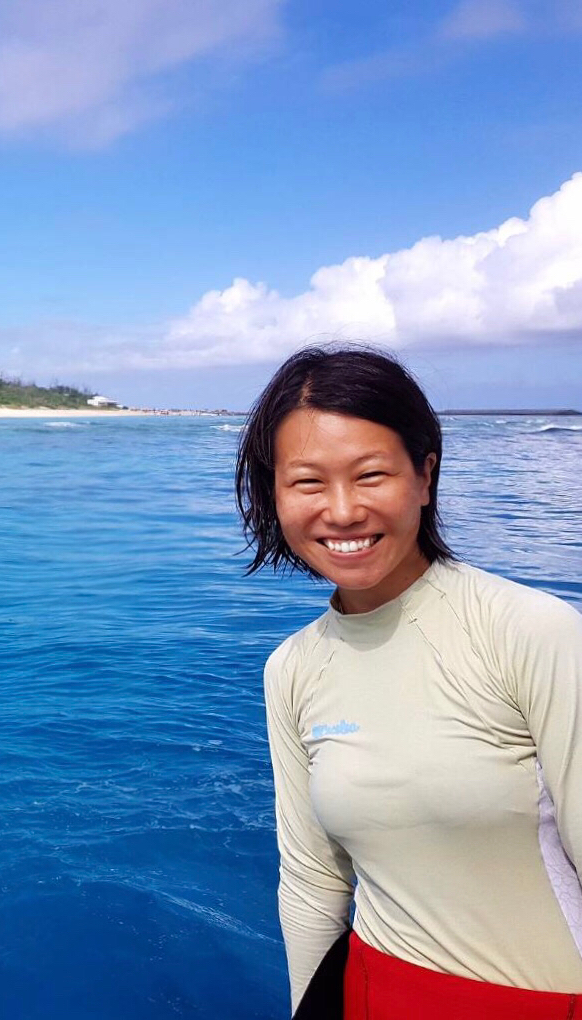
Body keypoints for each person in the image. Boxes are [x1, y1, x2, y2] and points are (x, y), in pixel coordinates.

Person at [234, 345, 582, 1019]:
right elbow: (311, 881)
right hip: (373, 992)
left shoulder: (530, 631)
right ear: (273, 494)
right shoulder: (293, 667)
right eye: (306, 482)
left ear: (423, 475)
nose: (340, 511)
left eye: (370, 474)